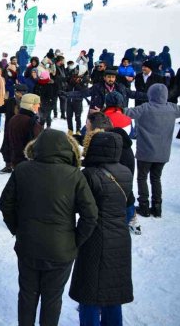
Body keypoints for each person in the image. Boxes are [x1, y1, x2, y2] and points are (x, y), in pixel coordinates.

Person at [0, 129, 98, 326]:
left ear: (37, 148)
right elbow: (90, 215)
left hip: (28, 245)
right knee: (52, 298)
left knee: (27, 294)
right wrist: (75, 241)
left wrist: (17, 229)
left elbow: (5, 204)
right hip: (60, 250)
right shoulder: (74, 175)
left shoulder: (22, 170)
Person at [69, 131, 133, 325]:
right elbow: (128, 205)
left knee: (89, 292)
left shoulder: (88, 175)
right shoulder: (125, 171)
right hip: (120, 237)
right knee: (113, 292)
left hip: (95, 236)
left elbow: (79, 206)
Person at [124, 84, 180, 217]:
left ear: (150, 94)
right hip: (163, 153)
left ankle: (143, 206)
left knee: (142, 178)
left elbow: (127, 112)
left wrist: (112, 107)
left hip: (146, 153)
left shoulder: (145, 108)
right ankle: (157, 207)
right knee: (156, 178)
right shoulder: (172, 108)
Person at [5, 93, 42, 169]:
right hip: (28, 163)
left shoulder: (14, 118)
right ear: (31, 106)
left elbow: (8, 141)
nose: (39, 106)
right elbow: (37, 143)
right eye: (37, 104)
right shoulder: (31, 121)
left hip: (16, 160)